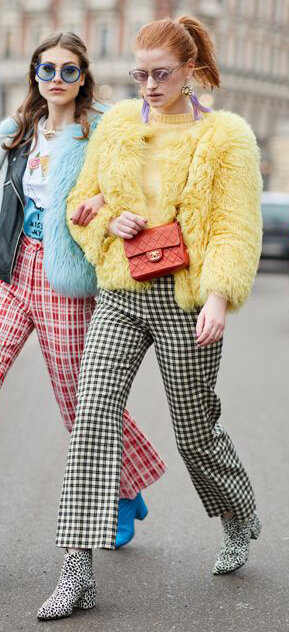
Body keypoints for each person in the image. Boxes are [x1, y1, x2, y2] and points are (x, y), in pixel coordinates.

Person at [38, 15, 263, 621]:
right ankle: (77, 570)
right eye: (139, 74)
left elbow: (234, 226)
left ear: (191, 69)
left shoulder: (226, 138)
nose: (148, 85)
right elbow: (80, 211)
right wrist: (107, 222)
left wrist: (218, 296)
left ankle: (238, 512)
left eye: (160, 74)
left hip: (186, 300)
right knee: (91, 417)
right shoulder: (113, 130)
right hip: (120, 293)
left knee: (194, 430)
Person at [0, 32, 167, 553]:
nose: (56, 79)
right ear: (34, 74)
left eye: (68, 70)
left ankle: (122, 491)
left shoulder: (101, 129)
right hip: (12, 268)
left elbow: (140, 173)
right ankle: (127, 484)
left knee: (80, 400)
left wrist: (101, 199)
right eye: (47, 69)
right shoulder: (15, 132)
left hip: (66, 274)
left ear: (82, 76)